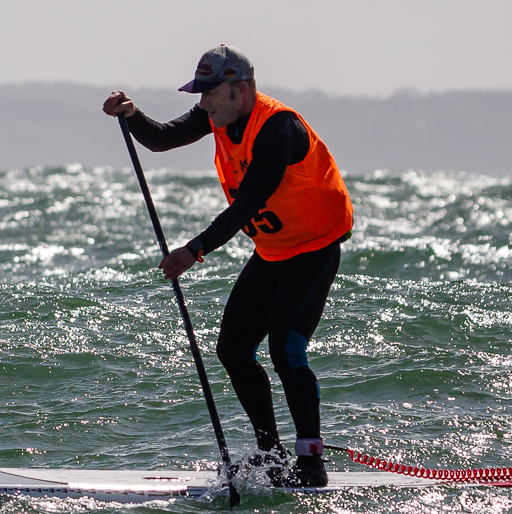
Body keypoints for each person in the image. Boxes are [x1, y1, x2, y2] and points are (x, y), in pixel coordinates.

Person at [103, 45, 352, 487]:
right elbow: (162, 138)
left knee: (286, 351)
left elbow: (247, 204)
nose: (203, 103)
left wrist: (194, 250)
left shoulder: (279, 129)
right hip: (273, 250)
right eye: (200, 93)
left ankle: (311, 463)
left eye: (211, 92)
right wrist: (132, 114)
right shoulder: (216, 115)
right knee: (233, 350)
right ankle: (271, 454)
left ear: (242, 88)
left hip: (314, 248)